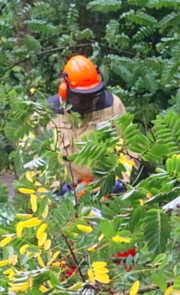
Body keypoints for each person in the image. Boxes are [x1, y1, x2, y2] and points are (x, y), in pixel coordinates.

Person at [46, 55, 133, 193]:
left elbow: (130, 146)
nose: (88, 101)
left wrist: (120, 180)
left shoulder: (111, 105)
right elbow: (34, 156)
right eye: (81, 97)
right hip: (66, 195)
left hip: (105, 189)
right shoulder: (47, 113)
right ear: (65, 92)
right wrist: (56, 187)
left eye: (92, 95)